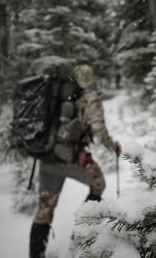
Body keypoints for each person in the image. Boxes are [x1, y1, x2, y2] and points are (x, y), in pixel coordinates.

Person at [29, 64, 120, 258]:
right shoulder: (90, 99)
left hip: (47, 157)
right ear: (92, 78)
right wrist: (113, 147)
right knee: (98, 184)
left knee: (44, 210)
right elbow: (99, 130)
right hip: (71, 159)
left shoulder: (58, 98)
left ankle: (36, 255)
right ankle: (82, 235)